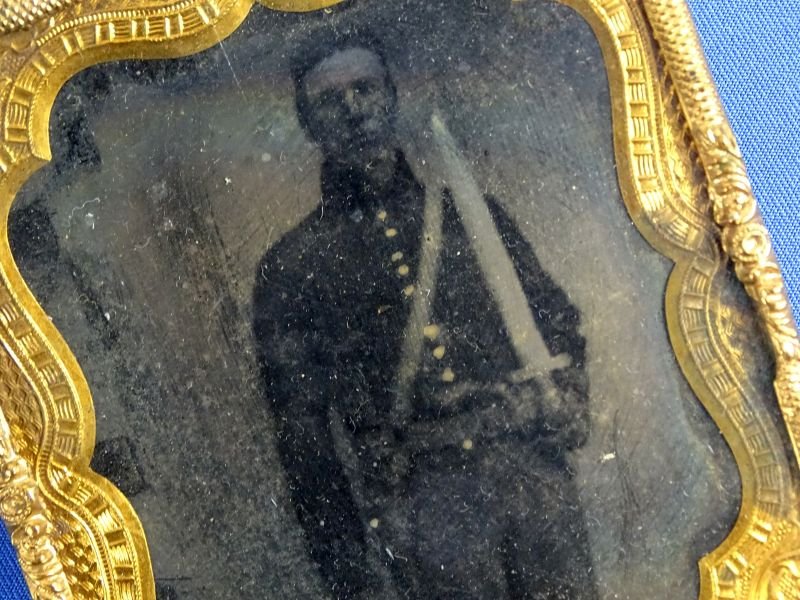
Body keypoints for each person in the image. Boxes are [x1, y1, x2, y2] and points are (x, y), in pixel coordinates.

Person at [253, 28, 597, 600]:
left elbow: (557, 319)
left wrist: (567, 399)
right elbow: (305, 443)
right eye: (329, 101)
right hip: (427, 508)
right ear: (308, 124)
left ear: (391, 98)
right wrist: (350, 572)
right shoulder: (291, 270)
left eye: (365, 90)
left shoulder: (470, 214)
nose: (354, 111)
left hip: (532, 482)